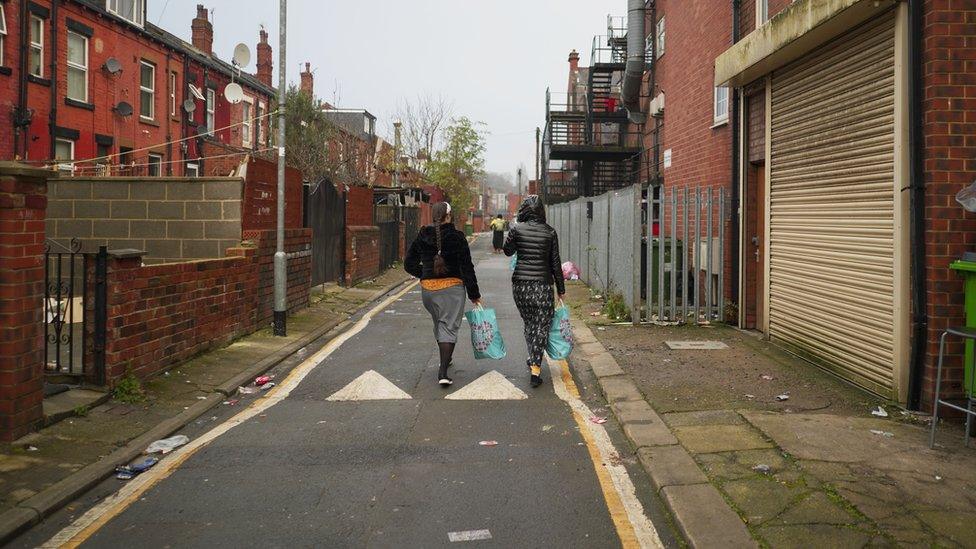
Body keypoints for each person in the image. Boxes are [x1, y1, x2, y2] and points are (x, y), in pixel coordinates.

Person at [405, 202, 481, 386]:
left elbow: (408, 263)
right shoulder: (457, 237)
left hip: (428, 291)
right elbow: (467, 268)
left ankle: (446, 358)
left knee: (440, 324)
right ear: (449, 215)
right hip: (451, 290)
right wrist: (474, 294)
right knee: (448, 327)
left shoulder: (423, 234)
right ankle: (443, 372)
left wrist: (424, 274)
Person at [503, 195, 565, 387]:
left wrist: (514, 234)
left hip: (520, 285)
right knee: (541, 325)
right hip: (542, 285)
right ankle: (536, 367)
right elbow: (555, 263)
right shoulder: (550, 232)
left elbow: (507, 250)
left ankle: (533, 358)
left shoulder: (516, 230)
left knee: (530, 323)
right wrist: (561, 289)